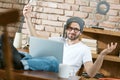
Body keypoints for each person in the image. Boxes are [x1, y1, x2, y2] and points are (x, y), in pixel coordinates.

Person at [0, 4, 117, 78]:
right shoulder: (58, 40)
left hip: (63, 75)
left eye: (76, 29)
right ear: (66, 29)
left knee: (53, 61)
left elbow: (91, 73)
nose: (72, 31)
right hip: (47, 71)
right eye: (70, 28)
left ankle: (18, 63)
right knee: (27, 55)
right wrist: (28, 18)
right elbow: (35, 36)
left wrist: (102, 55)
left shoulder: (84, 49)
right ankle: (6, 58)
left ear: (80, 32)